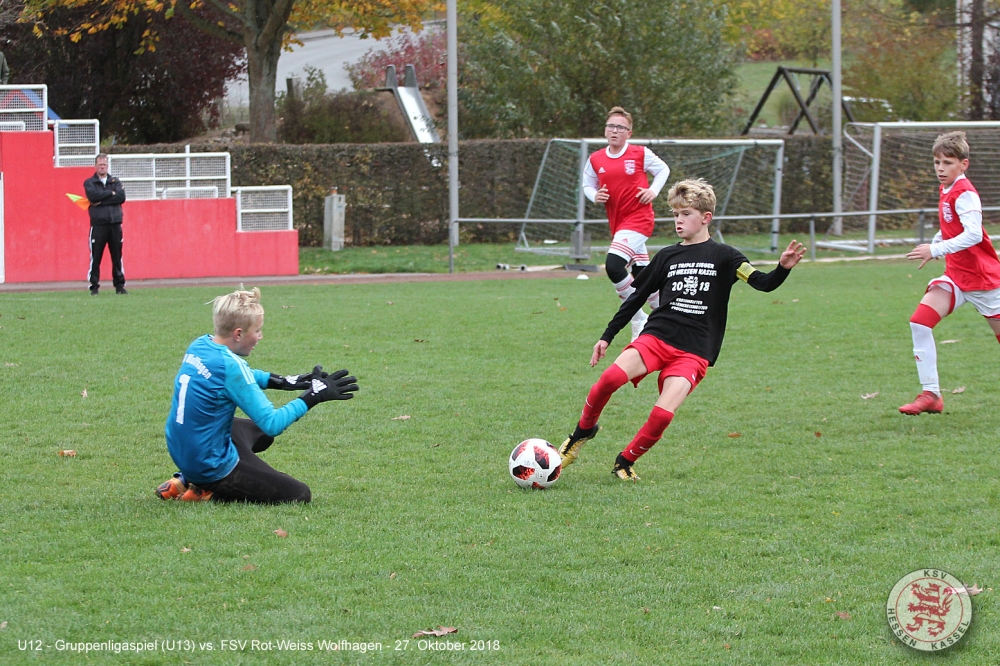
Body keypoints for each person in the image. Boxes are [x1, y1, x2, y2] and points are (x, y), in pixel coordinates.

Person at [558, 179, 805, 481]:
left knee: (662, 414)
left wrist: (782, 268)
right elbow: (635, 298)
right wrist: (607, 336)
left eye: (685, 214)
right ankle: (581, 433)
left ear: (706, 217)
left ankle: (625, 461)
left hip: (695, 350)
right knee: (609, 379)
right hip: (657, 337)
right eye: (675, 214)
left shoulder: (727, 257)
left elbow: (762, 283)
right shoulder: (666, 256)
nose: (678, 220)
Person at [156, 287, 358, 503]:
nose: (260, 336)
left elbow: (239, 379)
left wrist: (285, 381)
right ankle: (206, 490)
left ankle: (183, 480)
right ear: (238, 334)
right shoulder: (232, 366)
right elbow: (272, 423)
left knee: (260, 434)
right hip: (208, 465)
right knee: (298, 494)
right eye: (258, 330)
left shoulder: (200, 345)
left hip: (182, 447)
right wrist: (314, 395)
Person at [899, 130, 1000, 415]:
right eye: (937, 162)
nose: (940, 168)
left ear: (963, 164)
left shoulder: (965, 193)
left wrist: (936, 249)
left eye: (948, 163)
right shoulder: (946, 188)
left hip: (982, 280)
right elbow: (950, 229)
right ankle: (931, 394)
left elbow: (973, 234)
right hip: (956, 276)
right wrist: (935, 246)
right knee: (920, 323)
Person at [582, 106, 670, 341]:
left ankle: (638, 317)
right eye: (611, 126)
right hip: (619, 224)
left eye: (621, 127)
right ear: (605, 130)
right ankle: (669, 318)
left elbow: (663, 170)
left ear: (629, 133)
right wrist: (595, 195)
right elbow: (587, 184)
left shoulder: (640, 153)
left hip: (640, 220)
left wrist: (653, 191)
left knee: (613, 265)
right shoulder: (596, 159)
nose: (615, 130)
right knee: (643, 276)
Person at [84, 153, 127, 295]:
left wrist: (101, 200)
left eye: (104, 164)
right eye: (100, 164)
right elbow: (93, 197)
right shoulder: (90, 182)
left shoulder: (115, 181)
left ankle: (120, 286)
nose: (102, 167)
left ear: (107, 166)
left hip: (115, 223)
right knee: (96, 257)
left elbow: (121, 197)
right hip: (99, 224)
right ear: (95, 166)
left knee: (117, 256)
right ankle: (94, 286)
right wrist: (111, 194)